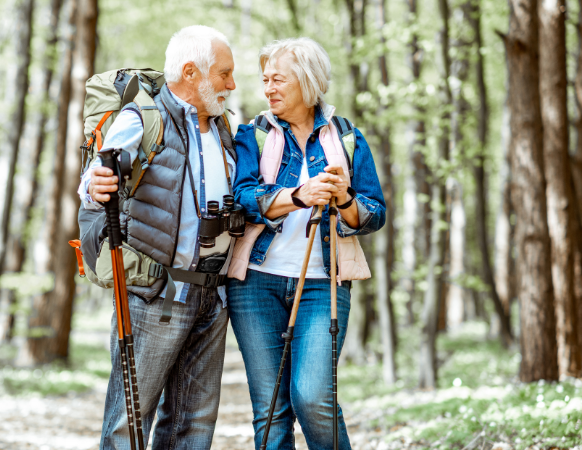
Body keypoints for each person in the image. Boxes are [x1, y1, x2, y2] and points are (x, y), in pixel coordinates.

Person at [78, 25, 238, 449]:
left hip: (211, 299)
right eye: (224, 73)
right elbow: (93, 181)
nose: (232, 84)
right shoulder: (142, 119)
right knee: (128, 425)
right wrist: (96, 183)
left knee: (192, 428)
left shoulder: (225, 129)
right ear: (191, 72)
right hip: (156, 296)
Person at [226, 37, 386, 450]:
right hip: (255, 283)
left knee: (313, 398)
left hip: (323, 285)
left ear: (307, 80)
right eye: (265, 80)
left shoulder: (347, 136)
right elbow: (242, 197)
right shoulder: (253, 134)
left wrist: (344, 199)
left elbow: (375, 212)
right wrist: (299, 196)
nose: (269, 88)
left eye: (278, 78)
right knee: (271, 411)